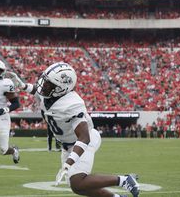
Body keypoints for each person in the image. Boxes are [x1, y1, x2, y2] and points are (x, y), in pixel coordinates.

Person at [10, 62, 140, 197]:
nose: (43, 86)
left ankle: (124, 180)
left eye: (48, 84)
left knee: (78, 181)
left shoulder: (72, 104)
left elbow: (84, 137)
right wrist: (22, 85)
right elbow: (36, 89)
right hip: (67, 145)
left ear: (61, 88)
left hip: (83, 142)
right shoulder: (50, 93)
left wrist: (68, 163)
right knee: (77, 187)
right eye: (45, 81)